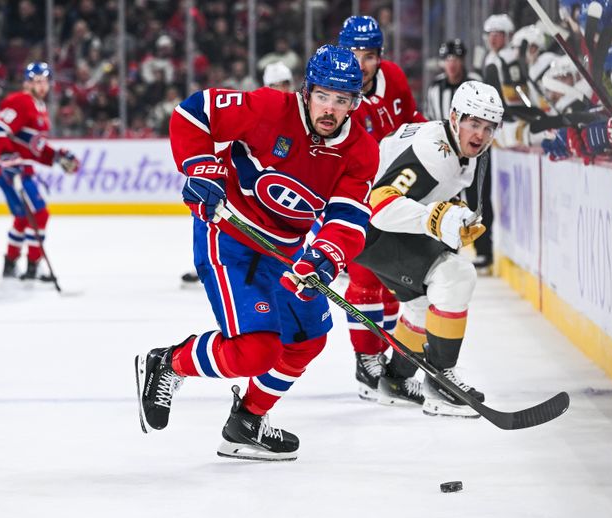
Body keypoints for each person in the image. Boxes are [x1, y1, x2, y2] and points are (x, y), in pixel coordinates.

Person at [136, 44, 378, 462]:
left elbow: (347, 217)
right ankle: (169, 364)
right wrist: (200, 168)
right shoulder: (268, 107)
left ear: (354, 103)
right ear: (306, 91)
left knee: (307, 339)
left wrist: (326, 254)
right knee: (257, 350)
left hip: (286, 252)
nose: (329, 109)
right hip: (229, 239)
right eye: (323, 95)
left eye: (342, 100)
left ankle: (246, 423)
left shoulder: (360, 150)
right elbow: (193, 114)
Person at [354, 81, 503, 416]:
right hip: (367, 225)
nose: (480, 134)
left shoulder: (464, 148)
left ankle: (395, 380)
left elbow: (429, 197)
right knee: (456, 275)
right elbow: (380, 206)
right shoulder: (433, 152)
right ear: (454, 118)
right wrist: (436, 220)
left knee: (423, 304)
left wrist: (453, 219)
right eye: (473, 123)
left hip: (370, 226)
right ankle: (440, 383)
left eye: (488, 127)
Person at [335, 15, 427, 403]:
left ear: (380, 56)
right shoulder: (335, 89)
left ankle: (384, 358)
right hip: (353, 194)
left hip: (394, 193)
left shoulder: (395, 78)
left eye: (368, 55)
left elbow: (411, 120)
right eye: (353, 54)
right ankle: (366, 359)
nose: (360, 63)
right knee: (364, 281)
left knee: (393, 283)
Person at [180, 60, 297, 288]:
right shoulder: (256, 113)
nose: (282, 89)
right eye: (276, 85)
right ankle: (210, 264)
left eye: (285, 83)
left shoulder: (303, 118)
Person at [0, 61, 80, 281]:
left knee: (22, 215)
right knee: (39, 213)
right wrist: (7, 158)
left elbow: (33, 147)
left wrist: (55, 156)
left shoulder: (40, 108)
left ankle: (10, 263)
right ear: (27, 83)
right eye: (36, 81)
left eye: (44, 81)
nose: (41, 85)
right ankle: (33, 265)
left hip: (20, 167)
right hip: (7, 167)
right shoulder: (20, 101)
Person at [425, 39, 482, 121]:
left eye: (456, 60)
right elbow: (429, 117)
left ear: (462, 61)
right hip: (441, 133)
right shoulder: (435, 87)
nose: (451, 64)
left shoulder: (475, 84)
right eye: (447, 60)